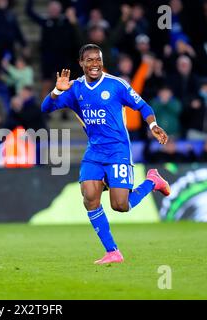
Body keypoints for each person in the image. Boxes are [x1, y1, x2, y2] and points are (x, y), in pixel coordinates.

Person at [41, 44, 170, 265]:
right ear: (81, 63)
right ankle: (113, 252)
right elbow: (46, 108)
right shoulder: (75, 88)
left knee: (120, 205)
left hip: (118, 149)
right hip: (94, 151)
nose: (94, 64)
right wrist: (56, 91)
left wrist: (153, 126)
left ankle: (152, 181)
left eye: (98, 60)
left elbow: (144, 107)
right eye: (89, 60)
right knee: (89, 197)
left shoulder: (117, 85)